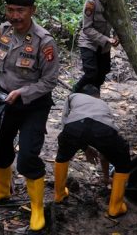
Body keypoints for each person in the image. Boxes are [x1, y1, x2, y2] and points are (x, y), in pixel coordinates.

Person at [0, 0, 60, 232]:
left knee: (28, 156)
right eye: (11, 10)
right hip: (3, 101)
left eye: (20, 11)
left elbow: (49, 81)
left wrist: (22, 93)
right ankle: (2, 190)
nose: (15, 16)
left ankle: (37, 208)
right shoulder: (2, 32)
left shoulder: (44, 42)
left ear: (32, 11)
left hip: (32, 106)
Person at [53, 85, 132, 217]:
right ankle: (115, 207)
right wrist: (106, 176)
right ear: (97, 96)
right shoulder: (102, 104)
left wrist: (84, 147)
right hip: (103, 130)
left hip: (74, 127)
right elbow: (108, 143)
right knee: (123, 163)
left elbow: (65, 122)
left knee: (62, 156)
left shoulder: (72, 97)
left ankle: (59, 194)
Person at [73, 0, 126, 94]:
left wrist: (116, 36)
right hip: (89, 42)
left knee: (102, 73)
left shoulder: (117, 2)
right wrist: (106, 39)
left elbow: (119, 22)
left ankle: (93, 98)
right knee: (91, 73)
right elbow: (87, 28)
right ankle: (74, 93)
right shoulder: (92, 2)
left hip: (104, 46)